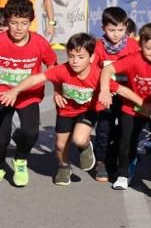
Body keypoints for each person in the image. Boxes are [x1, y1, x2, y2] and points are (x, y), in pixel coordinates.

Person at [0, 33, 121, 186]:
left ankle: (84, 146)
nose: (75, 61)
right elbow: (37, 78)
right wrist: (16, 90)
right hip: (65, 110)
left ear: (91, 58)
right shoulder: (63, 69)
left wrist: (143, 104)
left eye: (80, 57)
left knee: (79, 138)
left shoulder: (96, 74)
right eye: (71, 56)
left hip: (86, 109)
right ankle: (64, 167)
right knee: (59, 145)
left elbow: (121, 89)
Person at [98, 23, 151, 189]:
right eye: (149, 48)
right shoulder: (133, 59)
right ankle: (123, 174)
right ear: (141, 46)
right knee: (126, 143)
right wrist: (104, 89)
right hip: (133, 108)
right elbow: (107, 70)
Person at [0, 0, 57, 186]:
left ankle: (21, 159)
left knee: (31, 132)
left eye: (23, 23)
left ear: (30, 23)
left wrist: (59, 90)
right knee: (2, 137)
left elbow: (53, 65)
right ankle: (0, 164)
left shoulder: (39, 43)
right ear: (7, 21)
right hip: (3, 94)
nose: (18, 28)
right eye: (14, 23)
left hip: (29, 96)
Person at [91, 6, 140, 181]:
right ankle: (101, 162)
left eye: (120, 29)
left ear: (126, 27)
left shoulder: (133, 46)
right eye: (112, 30)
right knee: (105, 129)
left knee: (124, 131)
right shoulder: (97, 47)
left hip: (127, 95)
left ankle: (120, 162)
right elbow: (94, 72)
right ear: (103, 27)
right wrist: (106, 89)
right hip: (106, 95)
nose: (116, 34)